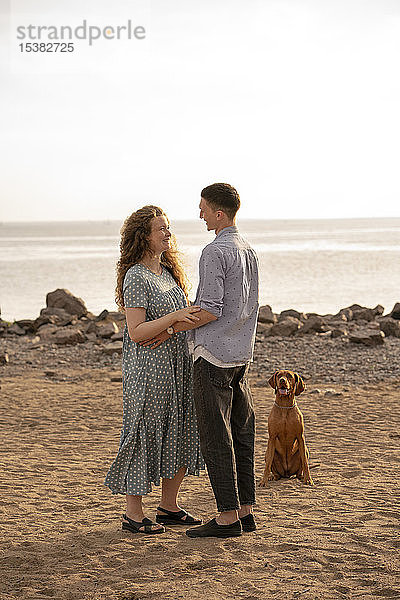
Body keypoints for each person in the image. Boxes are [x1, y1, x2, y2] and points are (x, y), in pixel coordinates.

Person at [142, 183, 259, 538]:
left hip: (212, 357)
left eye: (204, 208)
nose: (200, 214)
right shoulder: (250, 251)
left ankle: (226, 518)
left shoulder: (214, 252)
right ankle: (245, 511)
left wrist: (171, 329)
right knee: (241, 433)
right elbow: (247, 306)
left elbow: (210, 308)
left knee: (215, 437)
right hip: (241, 356)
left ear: (218, 213)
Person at [104, 205, 204, 534]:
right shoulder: (136, 276)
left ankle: (169, 507)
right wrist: (174, 318)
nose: (167, 233)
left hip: (177, 364)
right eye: (161, 229)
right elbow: (136, 331)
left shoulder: (169, 273)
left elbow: (178, 322)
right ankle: (133, 513)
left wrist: (178, 324)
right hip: (148, 369)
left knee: (178, 429)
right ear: (143, 236)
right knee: (144, 432)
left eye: (168, 227)